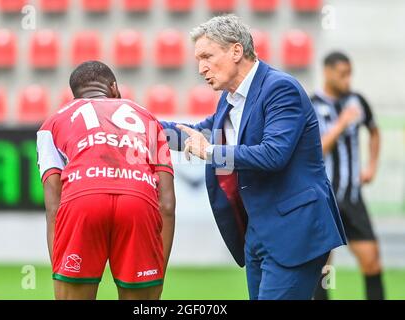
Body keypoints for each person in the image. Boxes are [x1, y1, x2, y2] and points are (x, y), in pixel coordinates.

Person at [161, 14, 346, 300]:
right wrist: (139, 126)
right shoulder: (230, 97)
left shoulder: (281, 88)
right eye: (199, 59)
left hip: (294, 231)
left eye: (207, 56)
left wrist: (208, 152)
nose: (201, 68)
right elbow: (197, 134)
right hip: (259, 233)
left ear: (236, 51)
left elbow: (274, 155)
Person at [36, 61, 176, 300]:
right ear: (114, 87)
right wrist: (156, 271)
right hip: (138, 201)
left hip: (82, 201)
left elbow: (53, 207)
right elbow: (167, 204)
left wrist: (62, 267)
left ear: (75, 96)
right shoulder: (149, 119)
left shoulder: (52, 124)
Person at [311, 52, 383, 300]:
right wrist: (341, 124)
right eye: (342, 74)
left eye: (349, 73)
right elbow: (317, 150)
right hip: (325, 199)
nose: (347, 79)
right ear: (327, 72)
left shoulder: (358, 101)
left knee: (372, 260)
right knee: (321, 267)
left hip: (352, 198)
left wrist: (371, 166)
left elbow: (374, 131)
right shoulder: (312, 104)